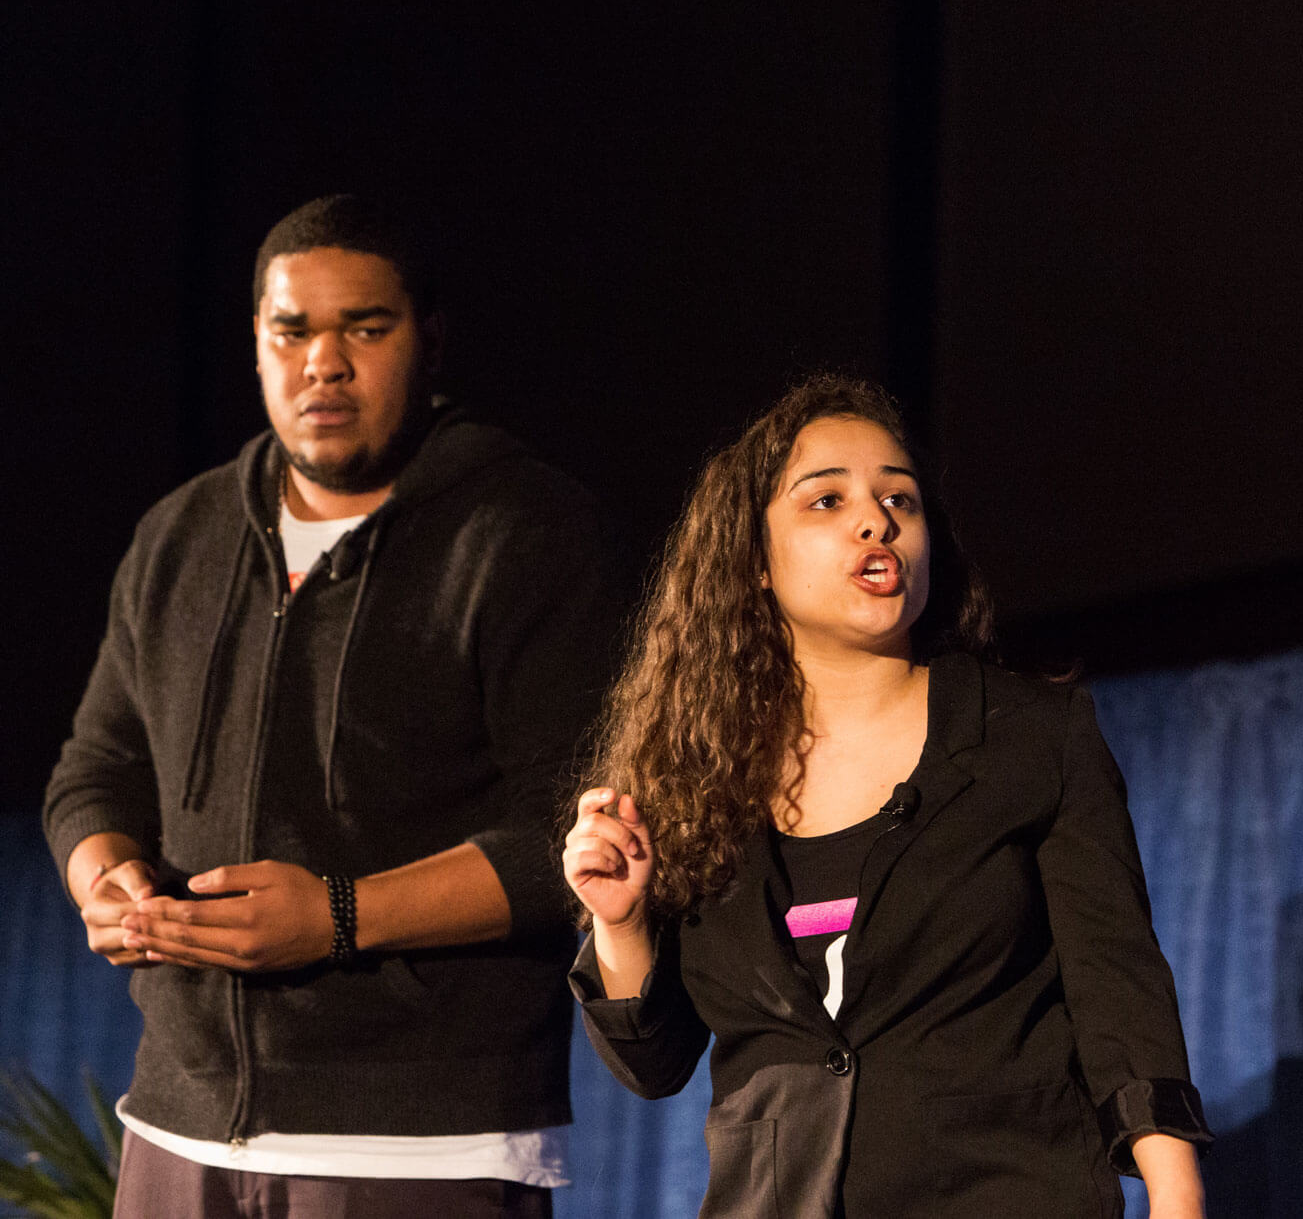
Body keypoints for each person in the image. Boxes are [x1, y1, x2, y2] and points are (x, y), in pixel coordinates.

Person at [43, 195, 622, 1217]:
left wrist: (337, 918)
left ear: (428, 342)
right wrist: (105, 874)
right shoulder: (182, 533)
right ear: (258, 346)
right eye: (293, 330)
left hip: (421, 1143)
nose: (325, 361)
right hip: (177, 1125)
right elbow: (97, 765)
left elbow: (576, 836)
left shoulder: (523, 529)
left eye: (364, 327)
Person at [562, 376, 1211, 1217]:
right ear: (752, 562)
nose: (876, 520)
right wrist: (620, 924)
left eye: (898, 498)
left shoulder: (1029, 736)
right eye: (826, 499)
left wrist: (1177, 1193)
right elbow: (657, 1066)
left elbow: (1119, 987)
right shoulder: (695, 782)